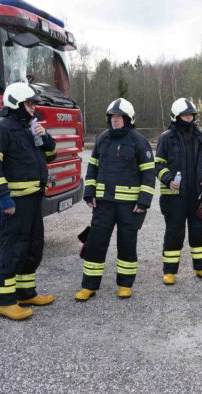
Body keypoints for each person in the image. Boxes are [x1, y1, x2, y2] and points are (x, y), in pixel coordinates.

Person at [0, 82, 57, 320]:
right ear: (16, 103)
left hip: (33, 199)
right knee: (13, 248)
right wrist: (3, 196)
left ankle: (25, 292)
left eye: (34, 103)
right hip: (14, 201)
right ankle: (5, 301)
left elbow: (51, 155)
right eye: (30, 103)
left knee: (33, 247)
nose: (33, 107)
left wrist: (45, 138)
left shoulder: (29, 127)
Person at [74, 98, 155, 301]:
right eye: (112, 116)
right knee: (95, 243)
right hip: (103, 203)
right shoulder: (102, 139)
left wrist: (144, 201)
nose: (115, 120)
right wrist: (89, 193)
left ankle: (125, 284)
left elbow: (148, 173)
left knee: (127, 243)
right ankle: (89, 286)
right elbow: (92, 167)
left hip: (129, 206)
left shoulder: (138, 140)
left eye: (120, 117)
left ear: (128, 119)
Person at [155, 98, 202, 285]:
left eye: (190, 114)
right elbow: (158, 164)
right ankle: (170, 271)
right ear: (176, 116)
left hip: (198, 194)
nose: (188, 118)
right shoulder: (166, 138)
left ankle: (201, 268)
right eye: (184, 115)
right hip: (174, 196)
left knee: (200, 230)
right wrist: (167, 179)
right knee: (174, 232)